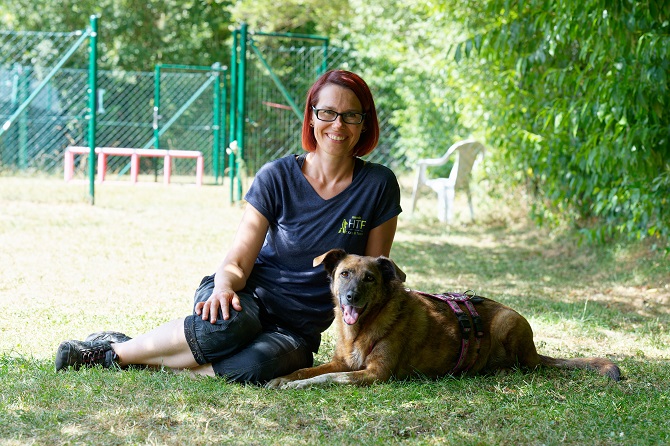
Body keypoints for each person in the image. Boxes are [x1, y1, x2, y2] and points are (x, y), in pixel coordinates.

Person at [54, 69, 402, 384]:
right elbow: (238, 259)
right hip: (244, 295)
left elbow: (370, 277)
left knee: (254, 368)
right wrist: (224, 289)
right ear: (311, 117)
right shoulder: (277, 176)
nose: (338, 125)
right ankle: (108, 354)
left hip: (295, 331)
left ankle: (134, 353)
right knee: (231, 326)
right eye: (327, 112)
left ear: (364, 122)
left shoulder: (378, 184)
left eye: (351, 115)